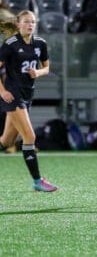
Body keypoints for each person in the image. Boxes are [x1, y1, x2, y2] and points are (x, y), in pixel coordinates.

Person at [0, 10, 58, 191]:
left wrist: (38, 72)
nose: (30, 25)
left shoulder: (40, 43)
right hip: (13, 95)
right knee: (29, 137)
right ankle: (37, 181)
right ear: (18, 24)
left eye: (32, 22)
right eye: (26, 22)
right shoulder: (9, 44)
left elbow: (47, 68)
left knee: (7, 142)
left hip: (27, 94)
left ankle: (37, 181)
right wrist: (2, 91)